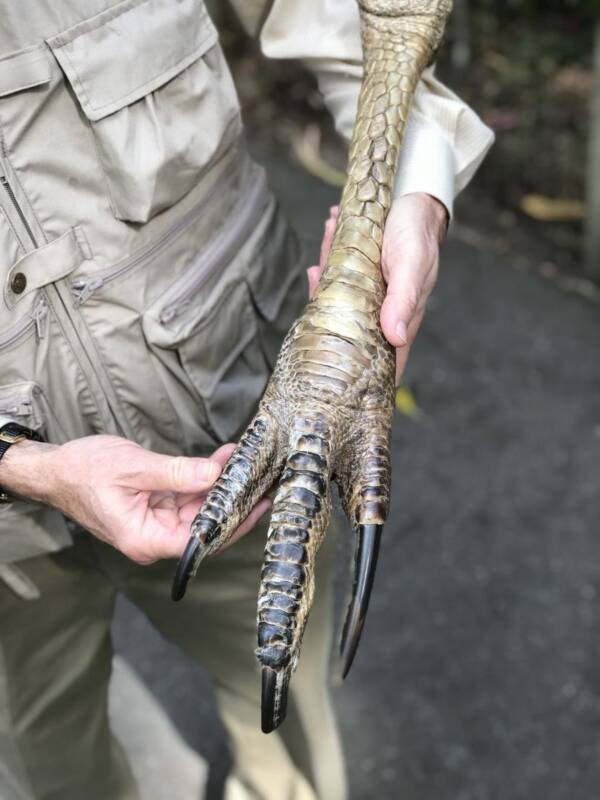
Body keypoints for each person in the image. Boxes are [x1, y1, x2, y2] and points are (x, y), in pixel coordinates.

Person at [0, 1, 494, 798]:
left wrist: (401, 216)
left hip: (243, 426)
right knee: (49, 766)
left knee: (286, 723)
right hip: (9, 532)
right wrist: (19, 466)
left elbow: (368, 19)